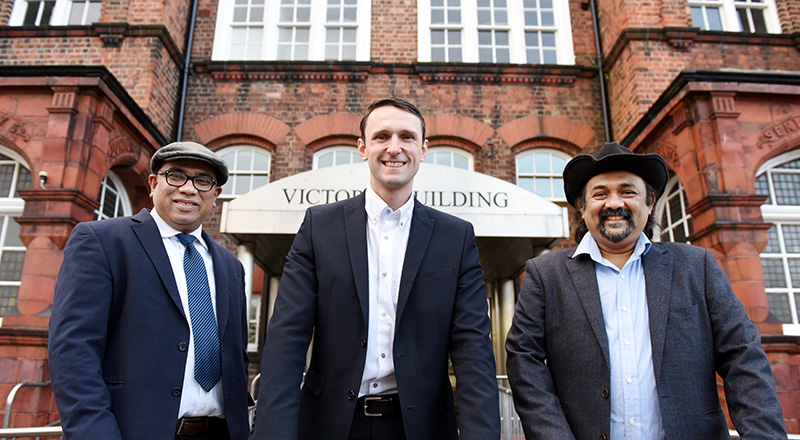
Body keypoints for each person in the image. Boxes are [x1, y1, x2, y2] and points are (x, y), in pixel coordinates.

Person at [249, 98, 500, 440]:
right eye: (382, 136)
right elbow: (286, 340)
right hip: (331, 426)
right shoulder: (318, 227)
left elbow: (473, 351)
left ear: (423, 149)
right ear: (363, 148)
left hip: (422, 428)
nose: (394, 148)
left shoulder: (456, 237)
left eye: (407, 137)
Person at [505, 142, 787, 440]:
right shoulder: (545, 274)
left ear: (650, 202)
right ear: (582, 207)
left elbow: (743, 355)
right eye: (600, 194)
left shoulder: (696, 266)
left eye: (628, 192)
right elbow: (524, 361)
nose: (614, 203)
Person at [49, 142, 251, 440]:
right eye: (176, 175)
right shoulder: (103, 241)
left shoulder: (231, 267)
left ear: (215, 195)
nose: (189, 189)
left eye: (202, 180)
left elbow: (237, 356)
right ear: (154, 183)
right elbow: (73, 348)